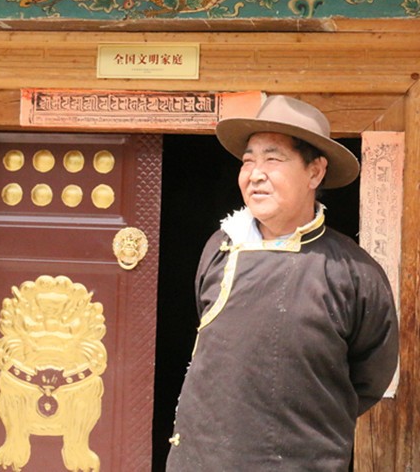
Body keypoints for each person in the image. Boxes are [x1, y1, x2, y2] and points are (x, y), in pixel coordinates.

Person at [166, 95, 399, 471]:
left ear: (315, 172)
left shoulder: (353, 272)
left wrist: (303, 422)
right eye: (248, 161)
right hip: (205, 458)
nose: (255, 174)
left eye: (273, 160)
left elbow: (370, 377)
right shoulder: (220, 248)